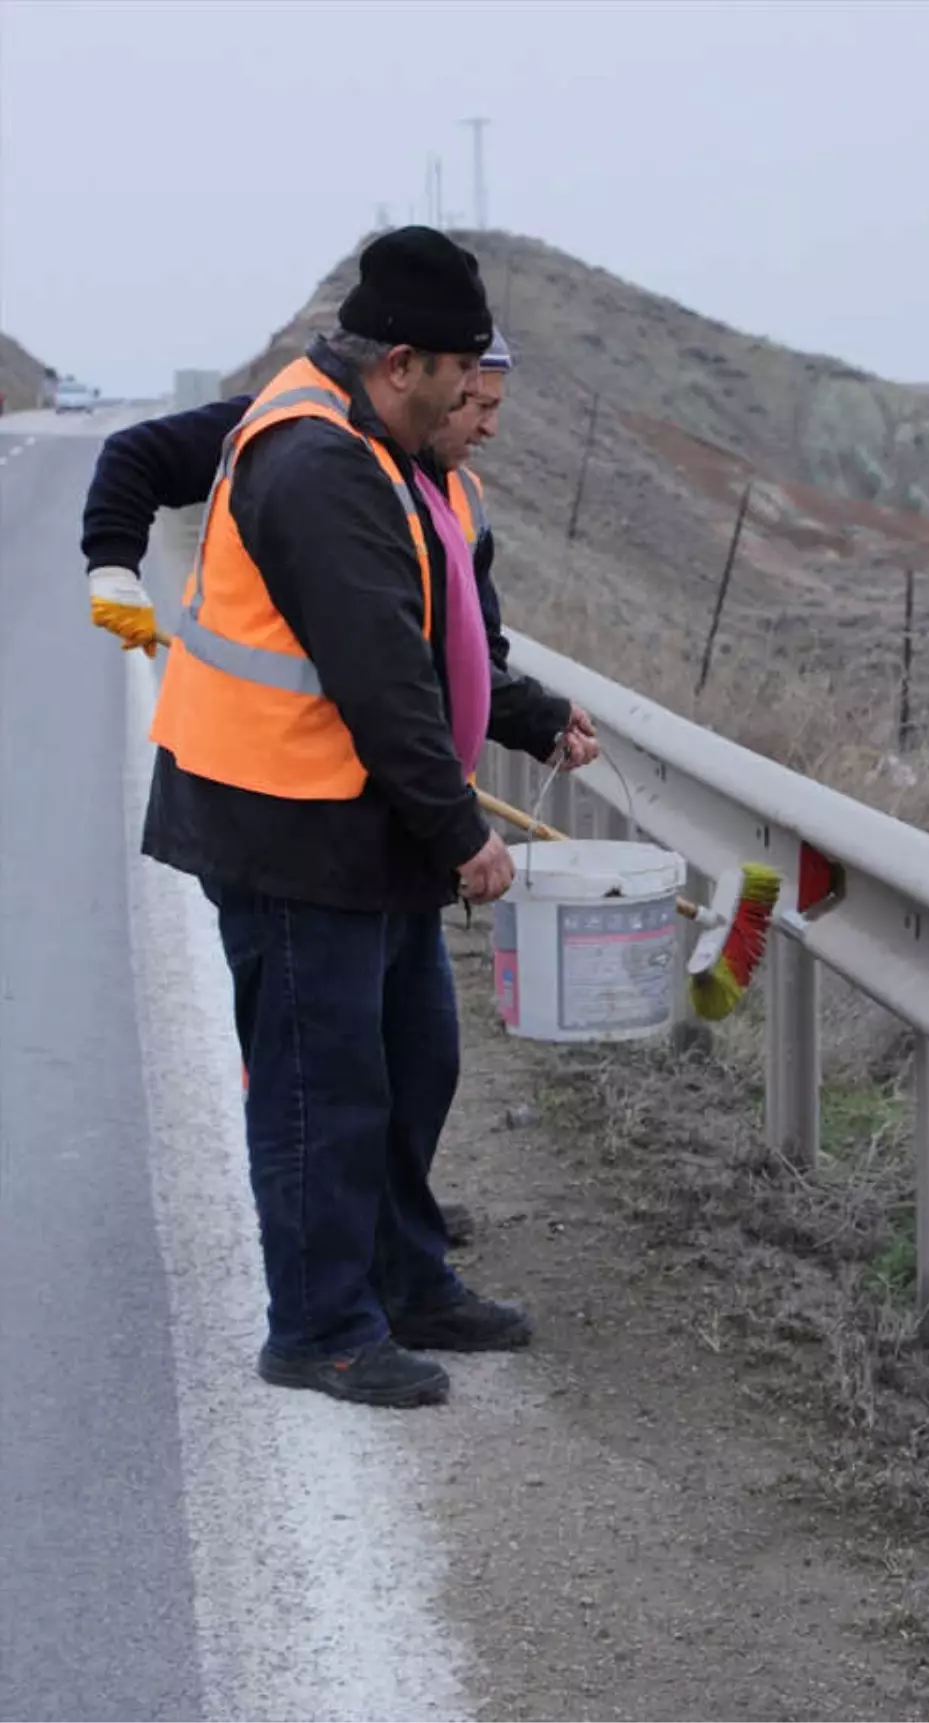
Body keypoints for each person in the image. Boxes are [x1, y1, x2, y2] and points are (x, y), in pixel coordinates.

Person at [94, 227, 597, 1409]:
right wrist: (462, 833)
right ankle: (320, 1328)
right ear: (405, 361)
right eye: (464, 375)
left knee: (412, 1059)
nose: (478, 398)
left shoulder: (384, 449)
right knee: (324, 1084)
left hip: (355, 823)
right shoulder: (316, 463)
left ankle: (406, 1278)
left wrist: (519, 722)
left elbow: (443, 646)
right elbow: (382, 681)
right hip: (286, 824)